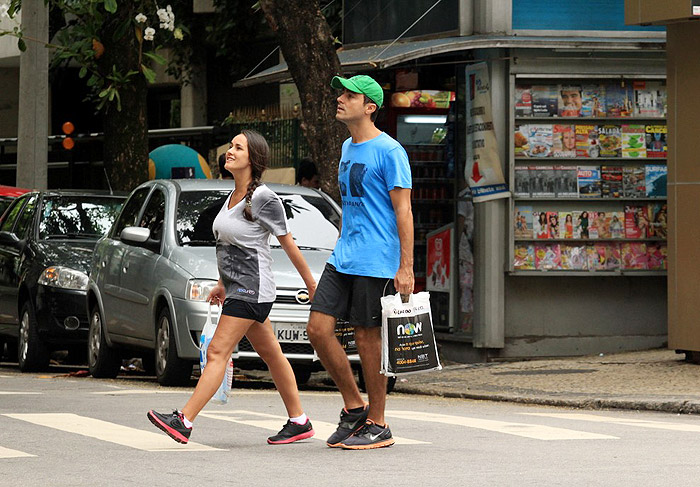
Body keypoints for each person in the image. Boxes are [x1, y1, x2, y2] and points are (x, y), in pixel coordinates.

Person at [147, 129, 317, 445]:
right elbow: (232, 245)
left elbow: (288, 244)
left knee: (217, 352)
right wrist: (221, 283)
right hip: (239, 287)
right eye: (231, 146)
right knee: (272, 354)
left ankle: (183, 421)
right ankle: (299, 420)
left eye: (238, 148)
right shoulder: (232, 196)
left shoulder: (264, 198)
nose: (230, 151)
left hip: (253, 289)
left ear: (253, 158)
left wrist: (310, 283)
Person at [305, 74, 413, 450]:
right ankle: (354, 406)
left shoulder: (390, 152)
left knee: (369, 340)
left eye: (350, 95)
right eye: (341, 93)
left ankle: (378, 422)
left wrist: (406, 267)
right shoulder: (348, 147)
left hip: (377, 260)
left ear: (370, 107)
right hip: (344, 256)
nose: (340, 99)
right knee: (318, 329)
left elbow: (403, 211)